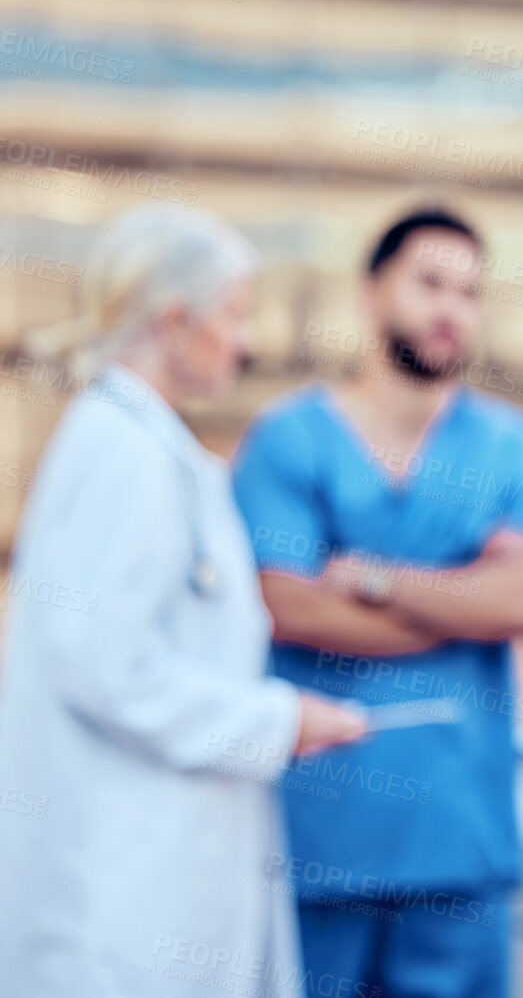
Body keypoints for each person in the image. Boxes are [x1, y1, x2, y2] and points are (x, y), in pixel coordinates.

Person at [230, 207, 523, 998]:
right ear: (371, 295)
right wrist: (469, 601)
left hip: (457, 845)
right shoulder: (290, 438)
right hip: (316, 841)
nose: (450, 310)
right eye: (429, 284)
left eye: (470, 292)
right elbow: (287, 605)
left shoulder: (513, 446)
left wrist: (373, 578)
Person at [0, 204, 367, 998]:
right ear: (174, 321)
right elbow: (103, 666)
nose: (247, 341)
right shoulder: (124, 459)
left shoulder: (141, 448)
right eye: (234, 315)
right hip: (122, 915)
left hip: (152, 891)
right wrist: (276, 721)